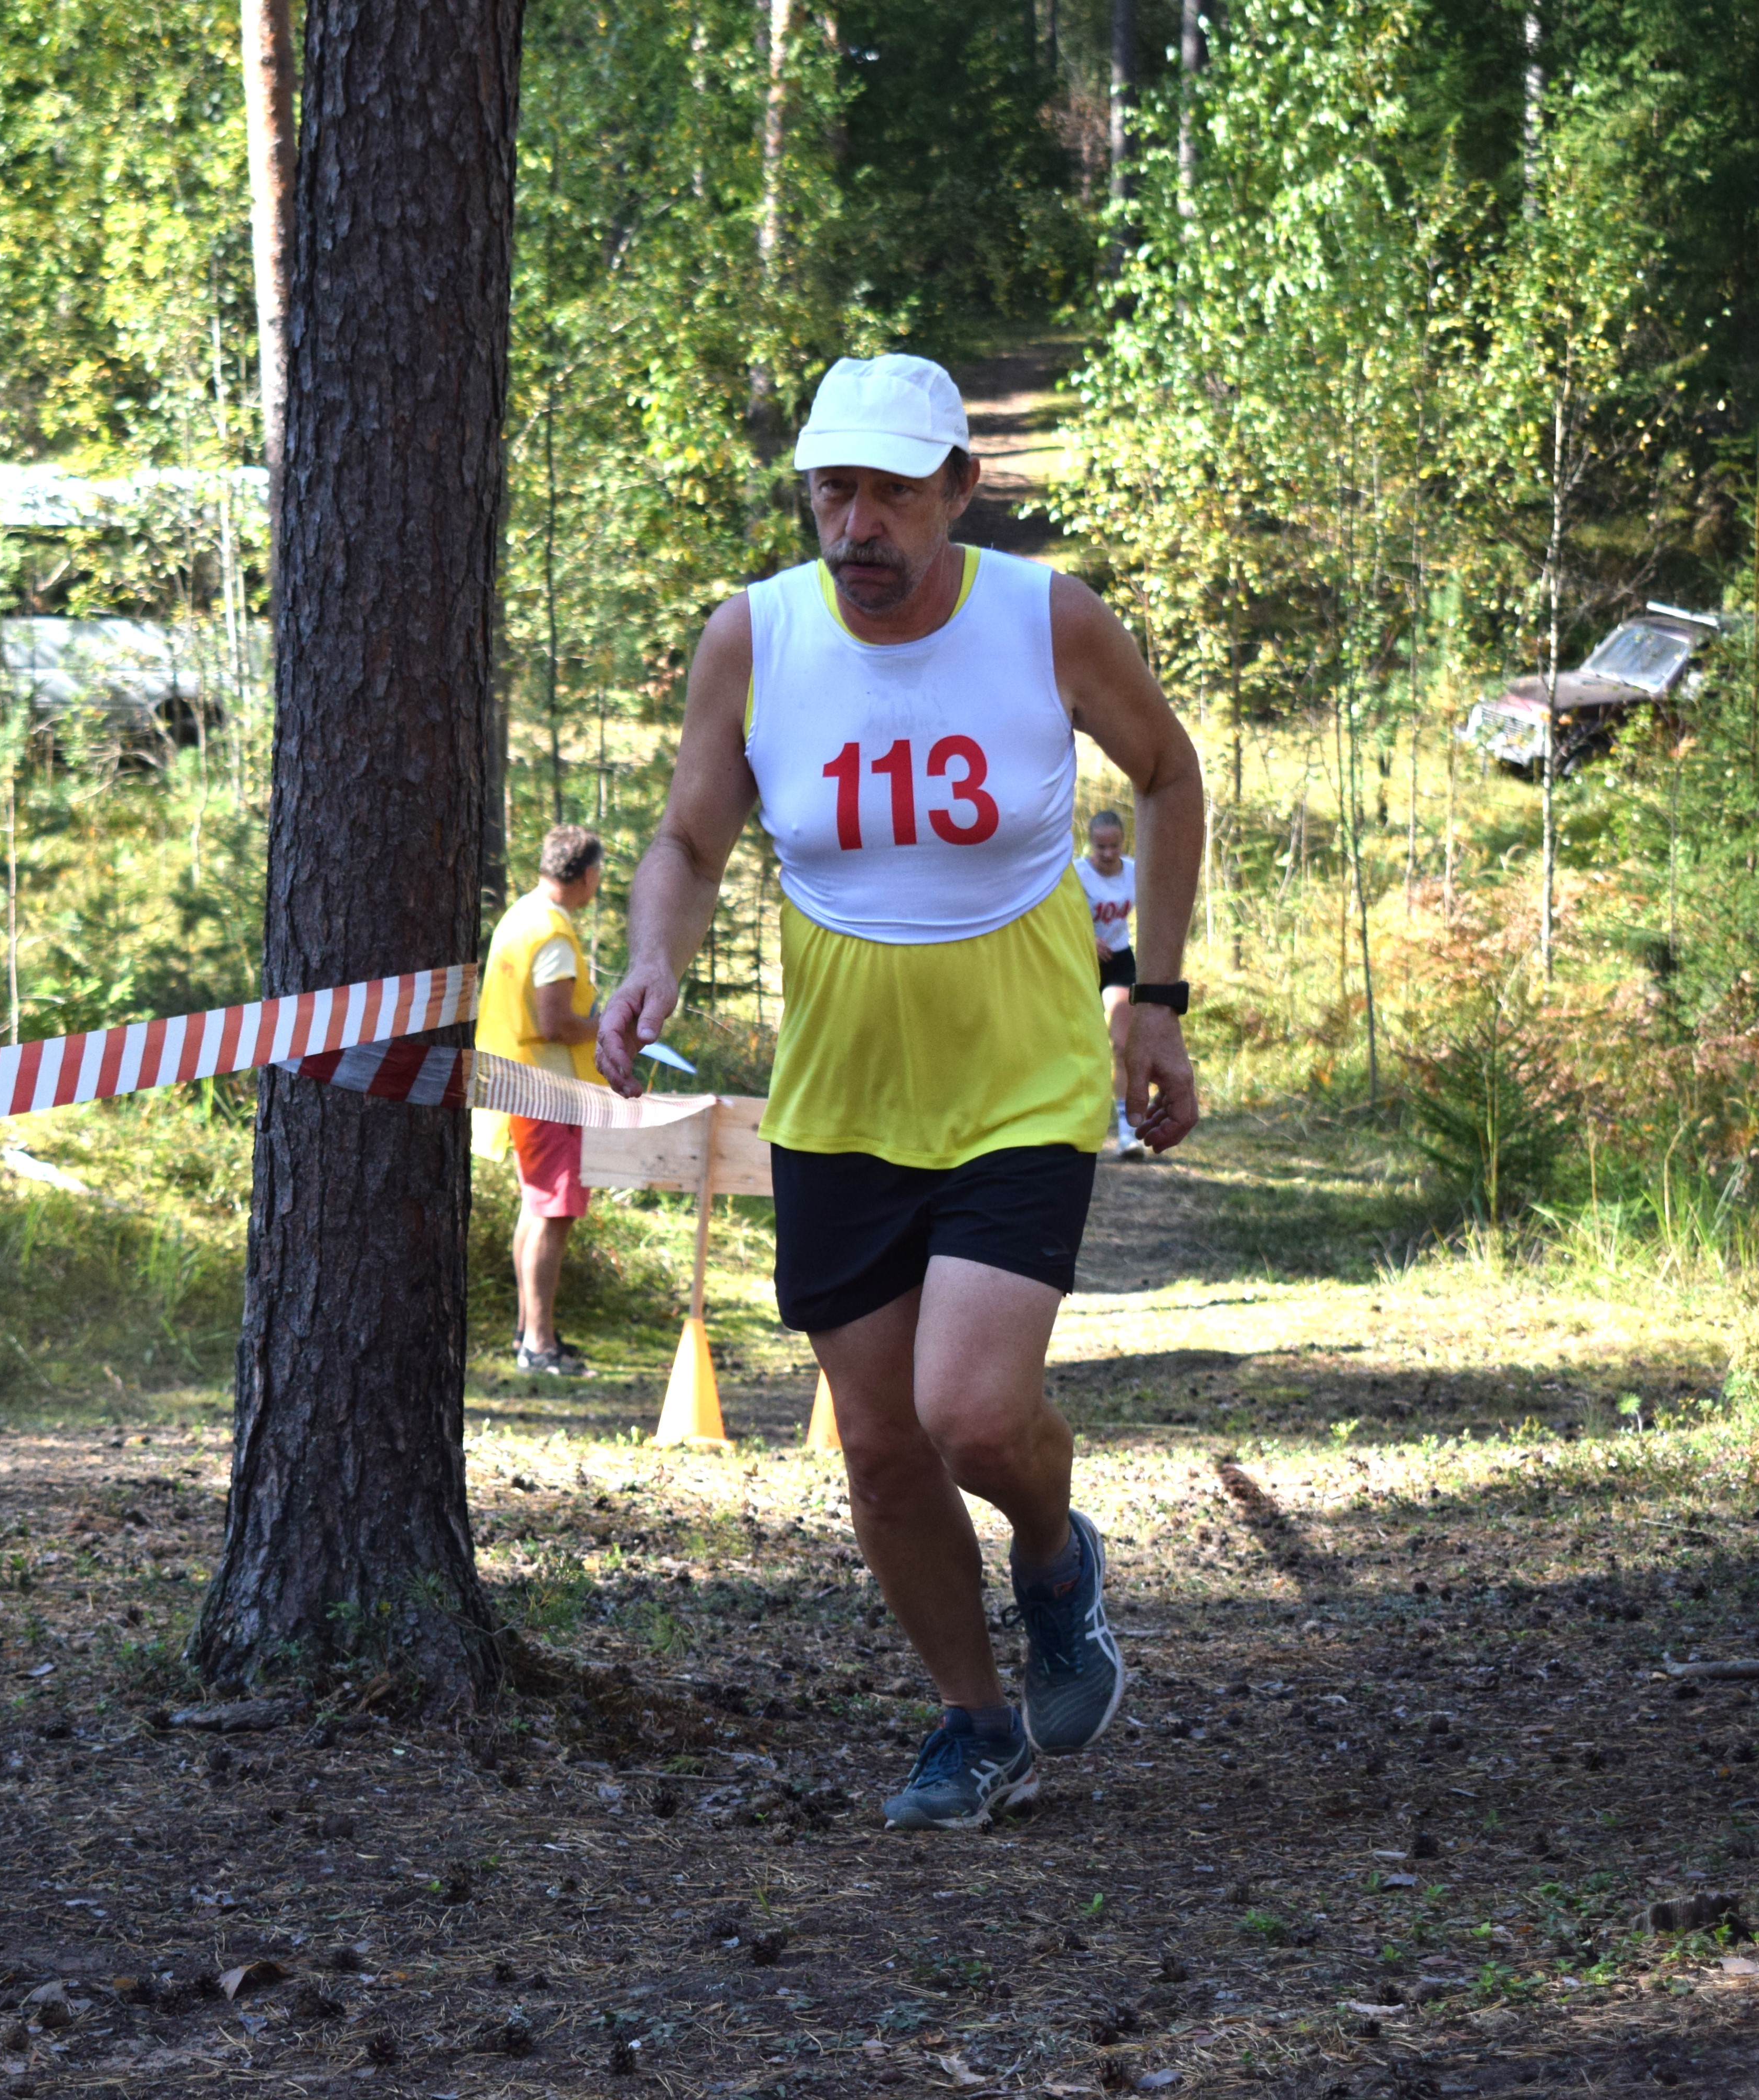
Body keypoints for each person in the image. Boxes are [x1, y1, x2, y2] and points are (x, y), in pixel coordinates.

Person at [596, 353, 1203, 1832]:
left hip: (1023, 1078)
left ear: (955, 492)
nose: (853, 525)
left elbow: (1168, 776)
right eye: (829, 490)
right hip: (841, 1098)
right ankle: (973, 1722)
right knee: (875, 1445)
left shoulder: (1042, 618)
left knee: (971, 1417)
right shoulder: (752, 638)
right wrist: (648, 961)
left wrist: (1158, 1000)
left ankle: (1054, 1562)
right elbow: (687, 841)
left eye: (884, 493)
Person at [478, 824, 608, 1377]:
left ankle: (529, 1333)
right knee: (553, 1214)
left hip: (519, 1081)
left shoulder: (520, 915)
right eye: (599, 872)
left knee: (536, 1209)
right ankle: (538, 1343)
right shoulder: (552, 934)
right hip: (548, 1090)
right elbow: (555, 1023)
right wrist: (606, 1027)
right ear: (585, 875)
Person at [1075, 811, 1142, 1157]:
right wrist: (1085, 937)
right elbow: (1055, 916)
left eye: (1113, 845)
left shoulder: (1133, 871)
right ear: (1090, 844)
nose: (1106, 852)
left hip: (1118, 959)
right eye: (1100, 846)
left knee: (1121, 1043)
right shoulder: (1075, 873)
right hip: (1079, 960)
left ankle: (1128, 1133)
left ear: (1123, 843)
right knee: (1078, 1045)